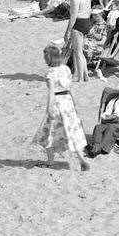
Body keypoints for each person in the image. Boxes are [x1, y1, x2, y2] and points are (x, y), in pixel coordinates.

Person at [32, 42, 89, 172]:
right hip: (67, 101)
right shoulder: (66, 69)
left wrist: (48, 108)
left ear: (49, 57)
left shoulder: (51, 72)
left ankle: (50, 161)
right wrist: (74, 103)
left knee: (48, 132)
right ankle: (81, 159)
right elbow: (70, 88)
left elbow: (51, 91)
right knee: (72, 131)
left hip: (58, 102)